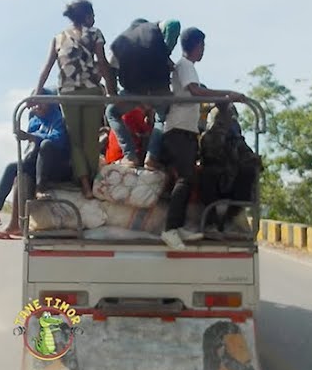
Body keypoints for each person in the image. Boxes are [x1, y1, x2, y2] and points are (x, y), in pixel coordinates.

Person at [157, 27, 249, 250]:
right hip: (178, 129)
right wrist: (227, 94)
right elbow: (195, 91)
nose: (204, 50)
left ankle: (178, 227)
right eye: (203, 46)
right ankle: (169, 229)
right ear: (196, 45)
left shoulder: (186, 66)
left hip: (186, 130)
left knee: (189, 179)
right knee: (185, 178)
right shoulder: (186, 66)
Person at [33, 0, 115, 199]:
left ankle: (84, 184)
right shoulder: (95, 33)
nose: (94, 19)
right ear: (86, 16)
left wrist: (36, 94)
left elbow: (47, 68)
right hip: (91, 92)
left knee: (75, 141)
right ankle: (92, 181)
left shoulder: (58, 38)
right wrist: (112, 91)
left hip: (68, 94)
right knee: (91, 140)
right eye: (92, 15)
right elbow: (102, 63)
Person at [0, 89, 72, 239]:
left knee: (46, 144)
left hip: (55, 165)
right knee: (13, 168)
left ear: (49, 103)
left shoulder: (58, 117)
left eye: (41, 103)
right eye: (35, 104)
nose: (38, 107)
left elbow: (57, 140)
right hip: (36, 162)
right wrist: (26, 139)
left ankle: (40, 188)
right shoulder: (34, 120)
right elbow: (30, 145)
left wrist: (31, 137)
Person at [106, 19, 181, 169]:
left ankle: (130, 156)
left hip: (134, 90)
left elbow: (110, 69)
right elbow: (173, 24)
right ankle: (151, 158)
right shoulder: (155, 32)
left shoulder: (122, 40)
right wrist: (167, 52)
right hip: (159, 88)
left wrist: (113, 94)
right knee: (160, 119)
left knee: (112, 112)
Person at [198, 102, 261, 237]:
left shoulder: (237, 140)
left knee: (249, 170)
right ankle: (211, 222)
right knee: (208, 174)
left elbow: (247, 155)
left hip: (232, 180)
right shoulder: (206, 137)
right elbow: (208, 155)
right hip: (214, 180)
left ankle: (231, 217)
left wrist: (251, 160)